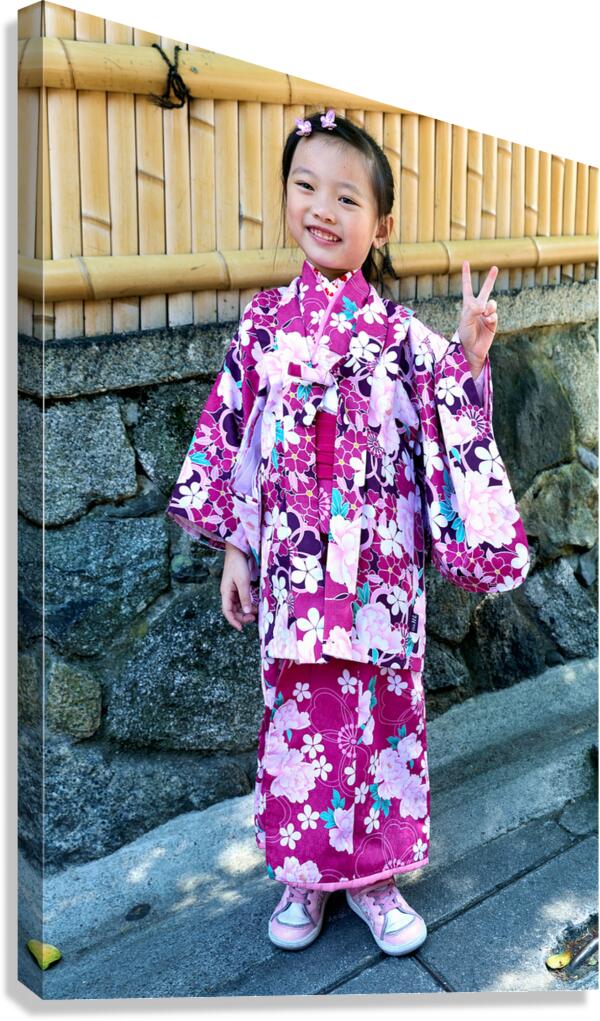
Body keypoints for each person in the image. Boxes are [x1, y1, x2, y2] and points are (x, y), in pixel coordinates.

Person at [165, 110, 530, 956]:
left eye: (345, 195)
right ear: (287, 198)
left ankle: (372, 876)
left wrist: (469, 358)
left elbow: (447, 428)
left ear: (381, 223)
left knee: (380, 716)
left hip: (378, 571)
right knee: (298, 713)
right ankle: (304, 871)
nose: (321, 208)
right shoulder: (263, 326)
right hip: (294, 571)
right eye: (305, 187)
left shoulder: (401, 337)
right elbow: (239, 439)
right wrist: (235, 546)